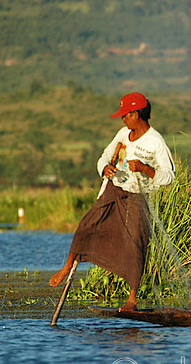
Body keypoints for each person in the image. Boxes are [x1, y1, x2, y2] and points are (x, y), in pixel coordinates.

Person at [49, 92, 175, 312]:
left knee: (135, 243)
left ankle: (132, 300)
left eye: (125, 115)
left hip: (138, 196)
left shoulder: (156, 141)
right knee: (86, 225)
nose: (122, 119)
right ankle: (68, 265)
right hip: (113, 189)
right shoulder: (123, 134)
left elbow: (169, 175)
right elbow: (104, 157)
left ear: (136, 114)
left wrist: (145, 169)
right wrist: (104, 168)